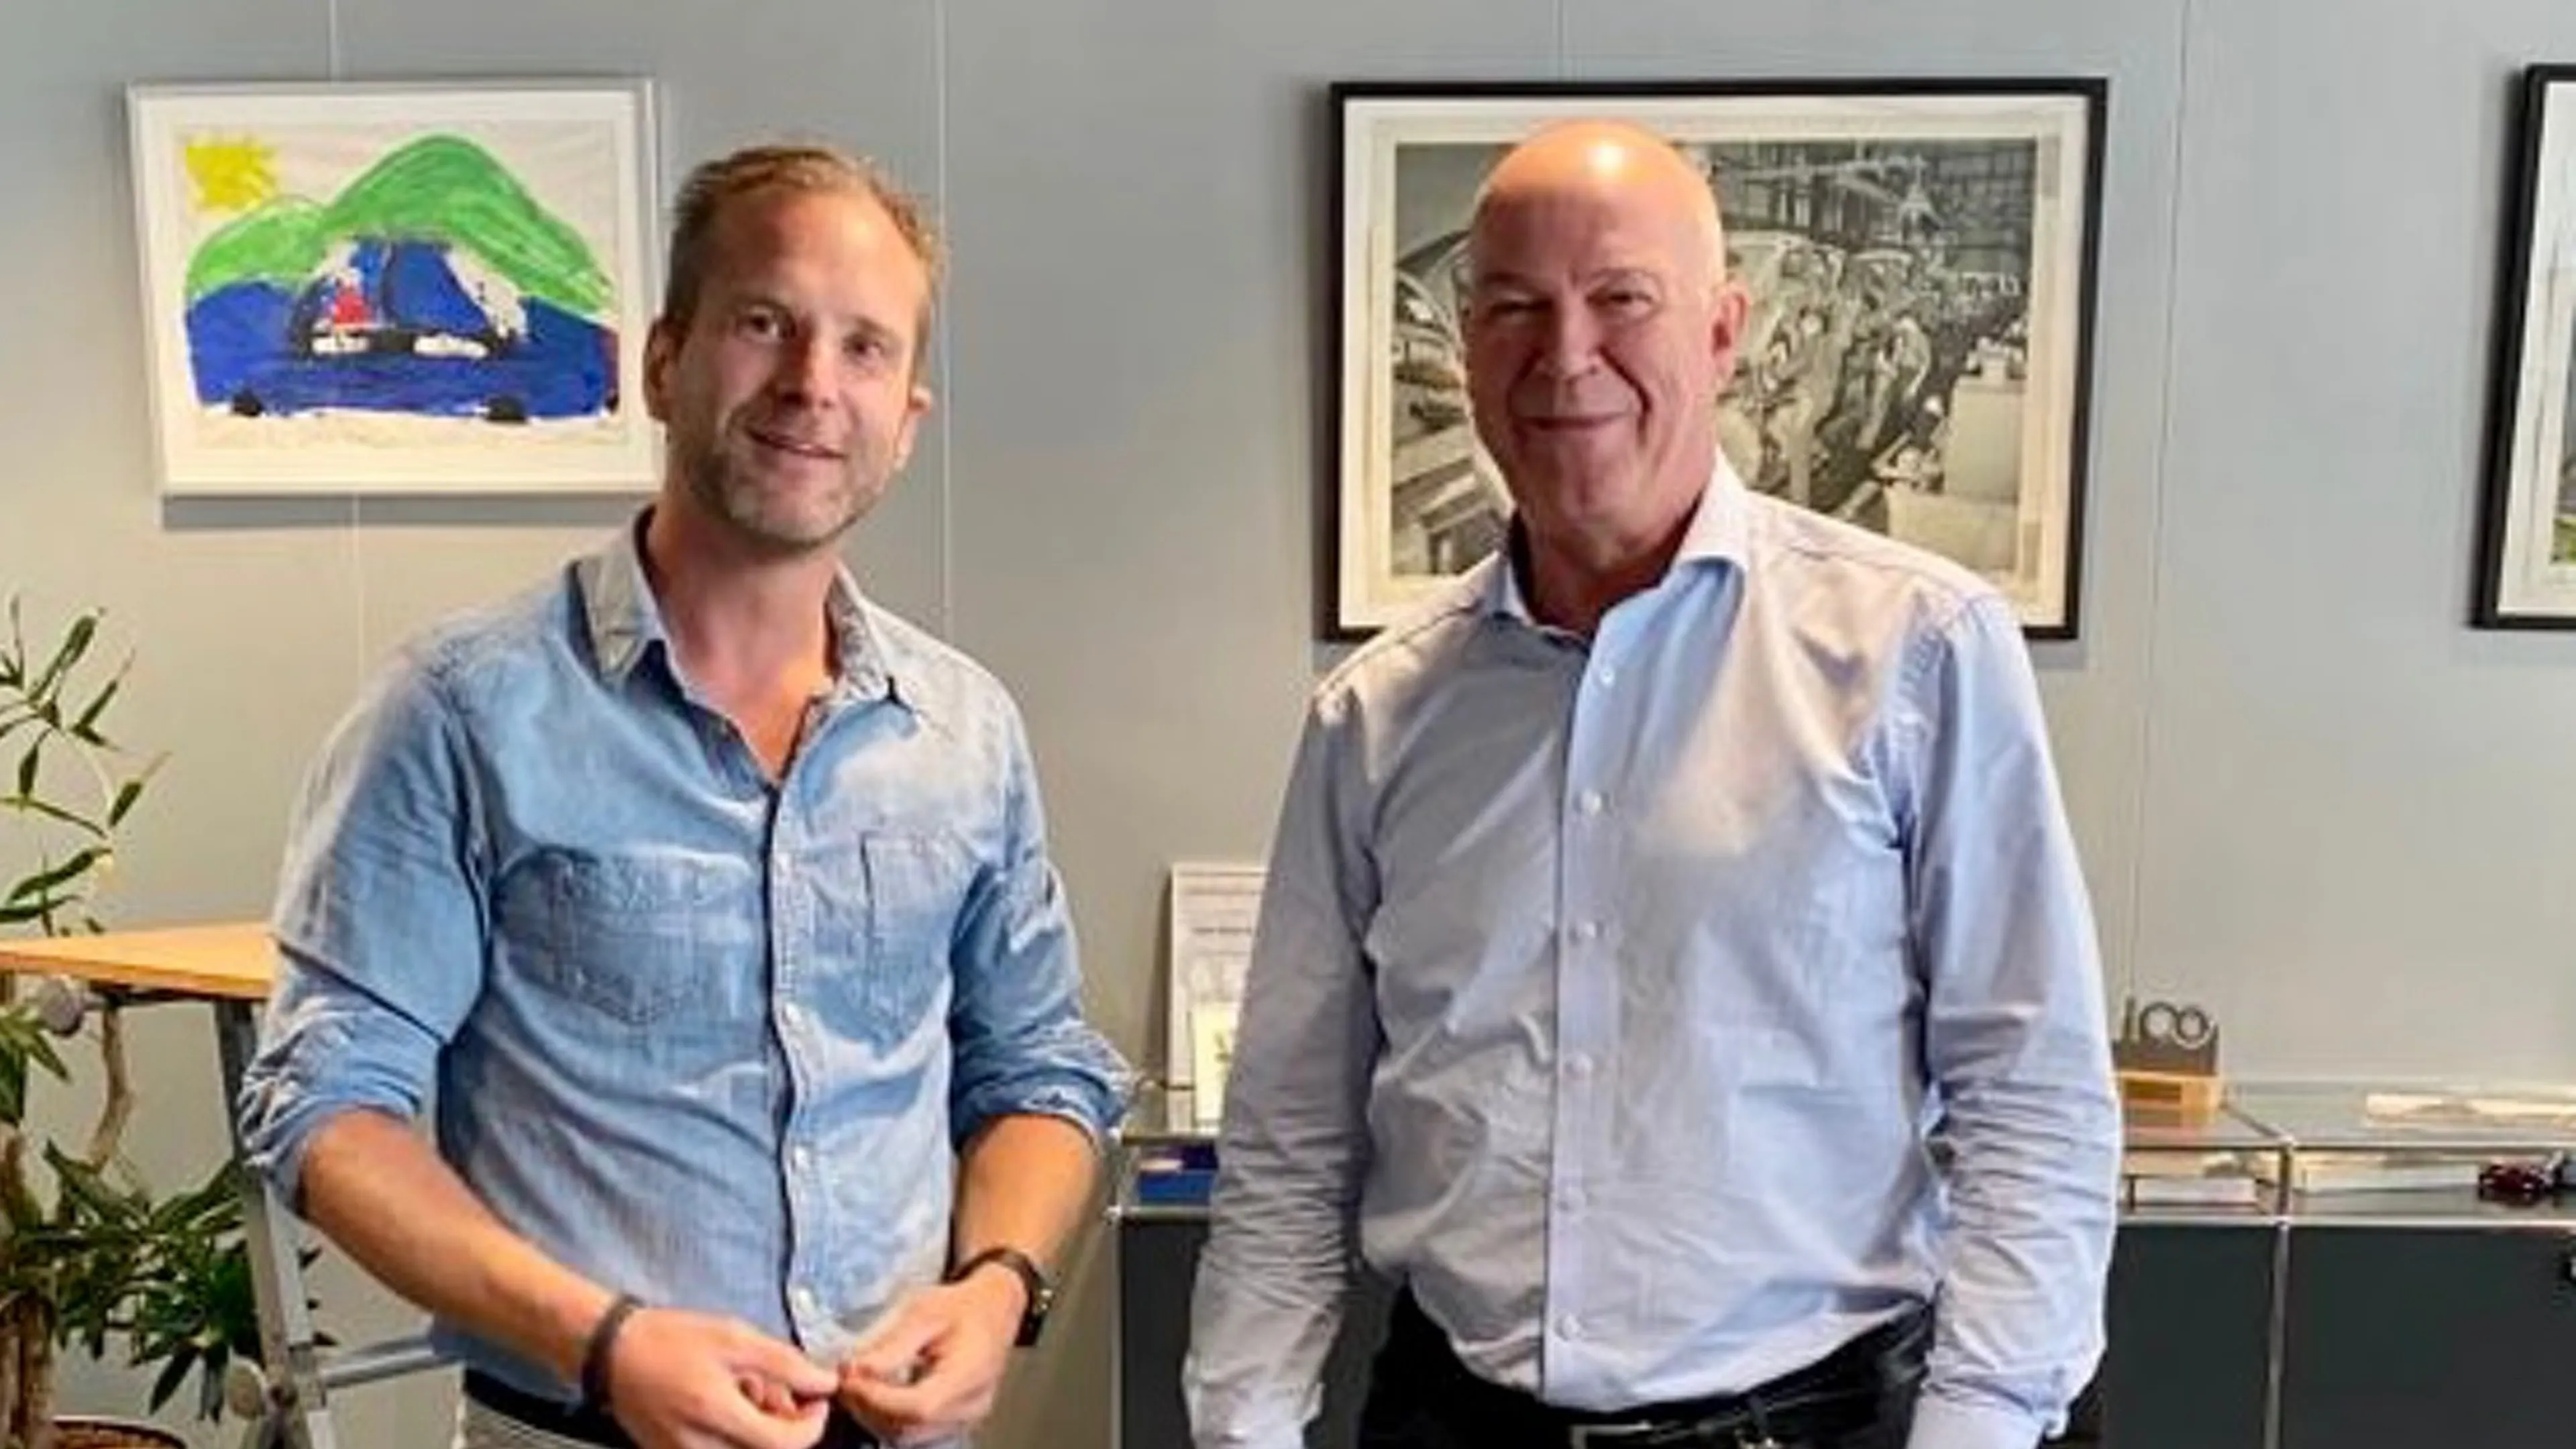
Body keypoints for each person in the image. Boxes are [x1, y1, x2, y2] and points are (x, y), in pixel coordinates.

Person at [1185, 120, 2117, 1449]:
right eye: (1515, 307)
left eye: (1622, 298)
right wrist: (1242, 1428)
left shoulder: (1916, 653)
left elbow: (2031, 1094)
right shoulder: (1377, 717)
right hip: (1453, 1419)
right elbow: (1290, 1139)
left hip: (1817, 1420)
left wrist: (1981, 1425)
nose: (1566, 355)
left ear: (1725, 332)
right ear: (1467, 344)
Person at [237, 143, 1130, 1449]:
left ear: (907, 417)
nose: (812, 383)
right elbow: (325, 1107)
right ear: (664, 361)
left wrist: (999, 1287)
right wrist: (603, 1342)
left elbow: (1036, 1068)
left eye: (865, 348)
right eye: (765, 323)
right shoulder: (460, 713)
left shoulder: (965, 733)